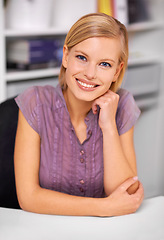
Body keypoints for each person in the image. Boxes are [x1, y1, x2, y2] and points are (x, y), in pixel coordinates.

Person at [14, 13, 144, 217]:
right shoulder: (35, 103)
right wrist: (104, 207)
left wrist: (108, 126)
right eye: (82, 58)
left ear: (116, 72)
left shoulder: (123, 105)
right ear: (66, 56)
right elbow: (28, 197)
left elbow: (126, 194)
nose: (90, 74)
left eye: (105, 64)